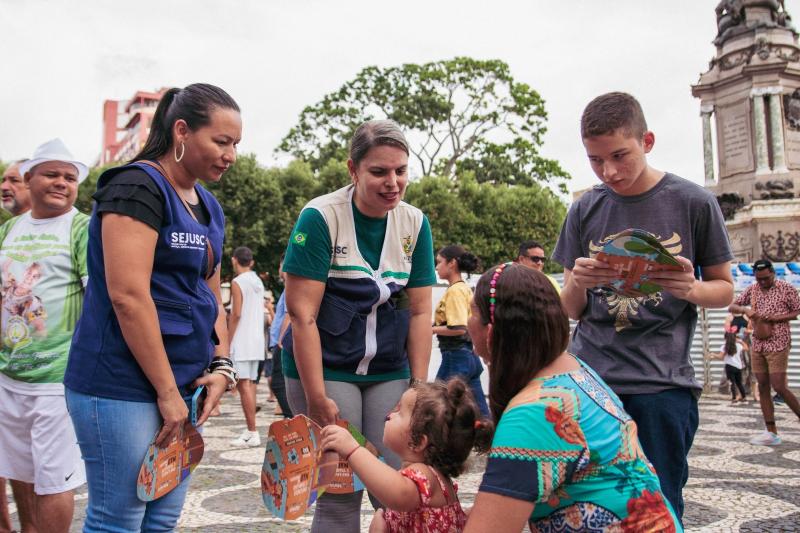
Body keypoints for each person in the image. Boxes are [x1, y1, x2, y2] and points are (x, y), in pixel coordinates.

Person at [64, 83, 241, 532]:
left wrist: (221, 364)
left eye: (236, 144)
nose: (231, 155)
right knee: (118, 518)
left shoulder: (209, 207)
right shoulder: (136, 186)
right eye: (221, 141)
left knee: (162, 517)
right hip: (120, 384)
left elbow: (209, 293)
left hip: (183, 387)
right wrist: (166, 393)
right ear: (182, 131)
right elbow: (128, 296)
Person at [552, 92, 734, 520]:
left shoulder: (693, 202)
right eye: (596, 160)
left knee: (657, 506)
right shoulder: (584, 208)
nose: (609, 171)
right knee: (586, 504)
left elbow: (724, 289)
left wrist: (690, 288)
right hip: (592, 384)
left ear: (647, 141)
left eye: (620, 155)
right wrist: (579, 280)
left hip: (662, 385)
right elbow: (570, 309)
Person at [283, 119, 436, 532]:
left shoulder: (414, 223)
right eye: (379, 172)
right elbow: (303, 315)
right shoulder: (320, 217)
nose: (393, 182)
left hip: (388, 365)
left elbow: (421, 311)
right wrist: (316, 398)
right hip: (328, 366)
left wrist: (419, 387)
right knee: (341, 489)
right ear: (353, 170)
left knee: (398, 486)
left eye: (401, 171)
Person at [464, 263, 682, 532]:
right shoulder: (575, 370)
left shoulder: (535, 412)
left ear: (492, 330)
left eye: (472, 312)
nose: (466, 323)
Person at [0, 138, 90, 533]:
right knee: (17, 468)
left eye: (70, 178)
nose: (62, 183)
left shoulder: (83, 228)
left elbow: (99, 301)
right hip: (7, 376)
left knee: (54, 479)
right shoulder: (9, 230)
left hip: (57, 379)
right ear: (29, 178)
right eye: (52, 174)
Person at [322, 378, 492, 533]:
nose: (390, 415)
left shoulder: (424, 475)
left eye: (400, 412)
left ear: (418, 442)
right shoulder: (435, 478)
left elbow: (398, 494)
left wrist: (353, 451)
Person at [0, 159, 36, 533]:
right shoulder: (6, 232)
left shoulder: (69, 229)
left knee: (28, 464)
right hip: (6, 362)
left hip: (41, 372)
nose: (5, 185)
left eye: (13, 180)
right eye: (3, 179)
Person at [729, 259, 800, 445]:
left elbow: (796, 311)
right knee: (762, 385)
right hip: (758, 343)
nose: (762, 282)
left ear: (773, 273)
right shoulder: (752, 290)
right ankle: (771, 431)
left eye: (766, 278)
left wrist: (777, 318)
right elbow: (732, 307)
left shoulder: (786, 289)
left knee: (779, 386)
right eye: (759, 279)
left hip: (779, 342)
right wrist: (746, 310)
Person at [432, 245, 489, 416]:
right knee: (481, 412)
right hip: (470, 357)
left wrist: (432, 329)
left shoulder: (455, 291)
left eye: (439, 262)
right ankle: (490, 440)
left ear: (452, 264)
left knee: (435, 402)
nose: (436, 267)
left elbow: (458, 328)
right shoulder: (464, 288)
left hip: (455, 356)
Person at [228, 246, 266, 447]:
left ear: (234, 260)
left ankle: (252, 431)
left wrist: (227, 340)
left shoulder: (238, 282)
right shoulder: (257, 281)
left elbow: (236, 314)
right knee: (249, 384)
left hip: (242, 340)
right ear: (250, 261)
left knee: (243, 386)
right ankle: (251, 430)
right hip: (257, 340)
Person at [268, 256, 292, 418]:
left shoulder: (291, 285)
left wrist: (282, 339)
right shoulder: (286, 287)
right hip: (279, 340)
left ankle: (292, 416)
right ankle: (289, 415)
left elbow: (289, 313)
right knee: (280, 382)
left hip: (282, 342)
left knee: (278, 383)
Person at [710, 328, 748, 404]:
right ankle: (744, 397)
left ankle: (734, 398)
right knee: (739, 383)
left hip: (729, 367)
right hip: (738, 367)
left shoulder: (724, 346)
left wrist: (713, 355)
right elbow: (746, 348)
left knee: (732, 382)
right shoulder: (738, 345)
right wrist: (740, 341)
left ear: (725, 338)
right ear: (735, 337)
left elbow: (721, 357)